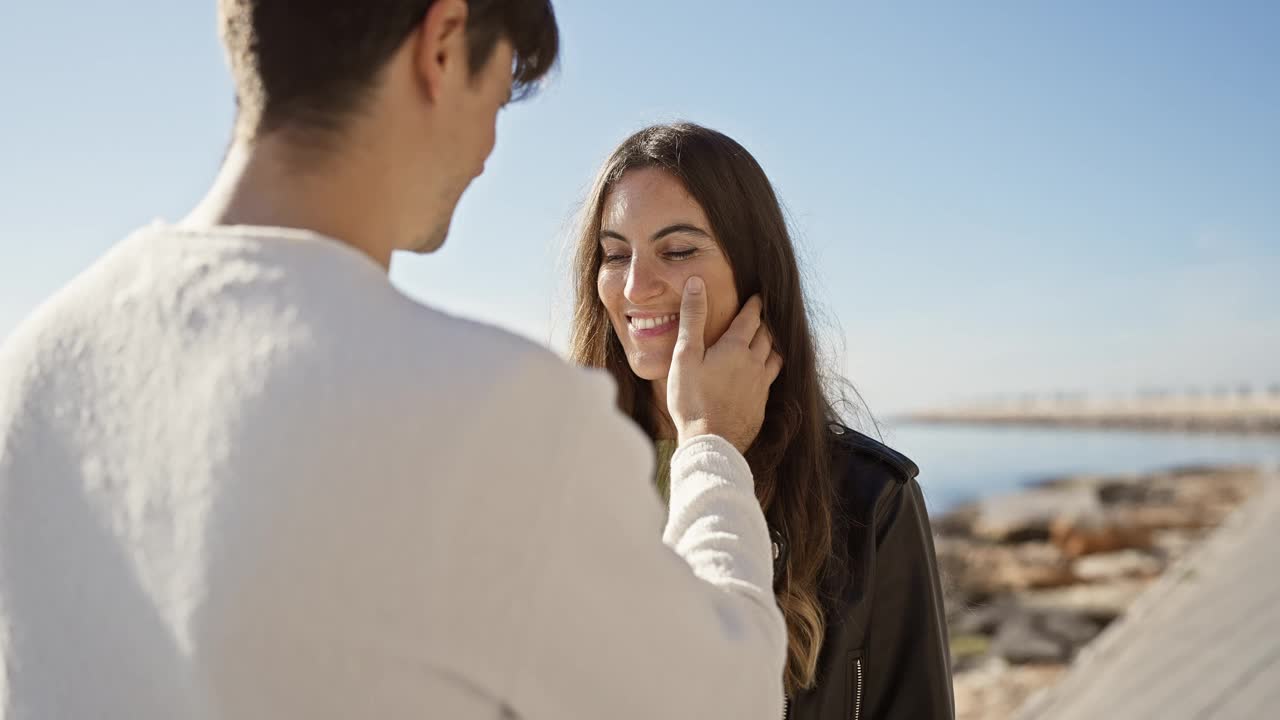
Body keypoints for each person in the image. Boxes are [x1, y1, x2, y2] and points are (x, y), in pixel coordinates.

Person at [0, 3, 789, 718]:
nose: (490, 146)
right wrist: (711, 443)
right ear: (443, 44)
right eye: (503, 89)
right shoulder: (501, 415)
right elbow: (733, 699)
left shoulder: (33, 368)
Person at [568, 122, 955, 719]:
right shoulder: (556, 469)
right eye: (616, 255)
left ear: (755, 273)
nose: (636, 288)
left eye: (677, 250)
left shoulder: (869, 497)